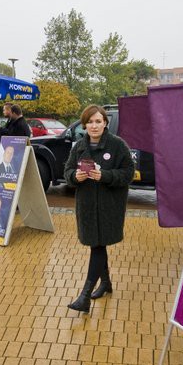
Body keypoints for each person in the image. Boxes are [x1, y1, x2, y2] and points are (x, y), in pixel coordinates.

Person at [63, 105, 134, 313]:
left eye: (98, 121)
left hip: (109, 205)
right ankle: (106, 283)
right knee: (97, 243)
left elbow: (128, 173)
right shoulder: (78, 147)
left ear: (105, 123)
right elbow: (67, 170)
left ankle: (85, 296)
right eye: (90, 122)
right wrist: (74, 177)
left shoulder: (118, 145)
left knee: (98, 245)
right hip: (86, 205)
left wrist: (106, 176)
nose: (94, 126)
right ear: (84, 125)